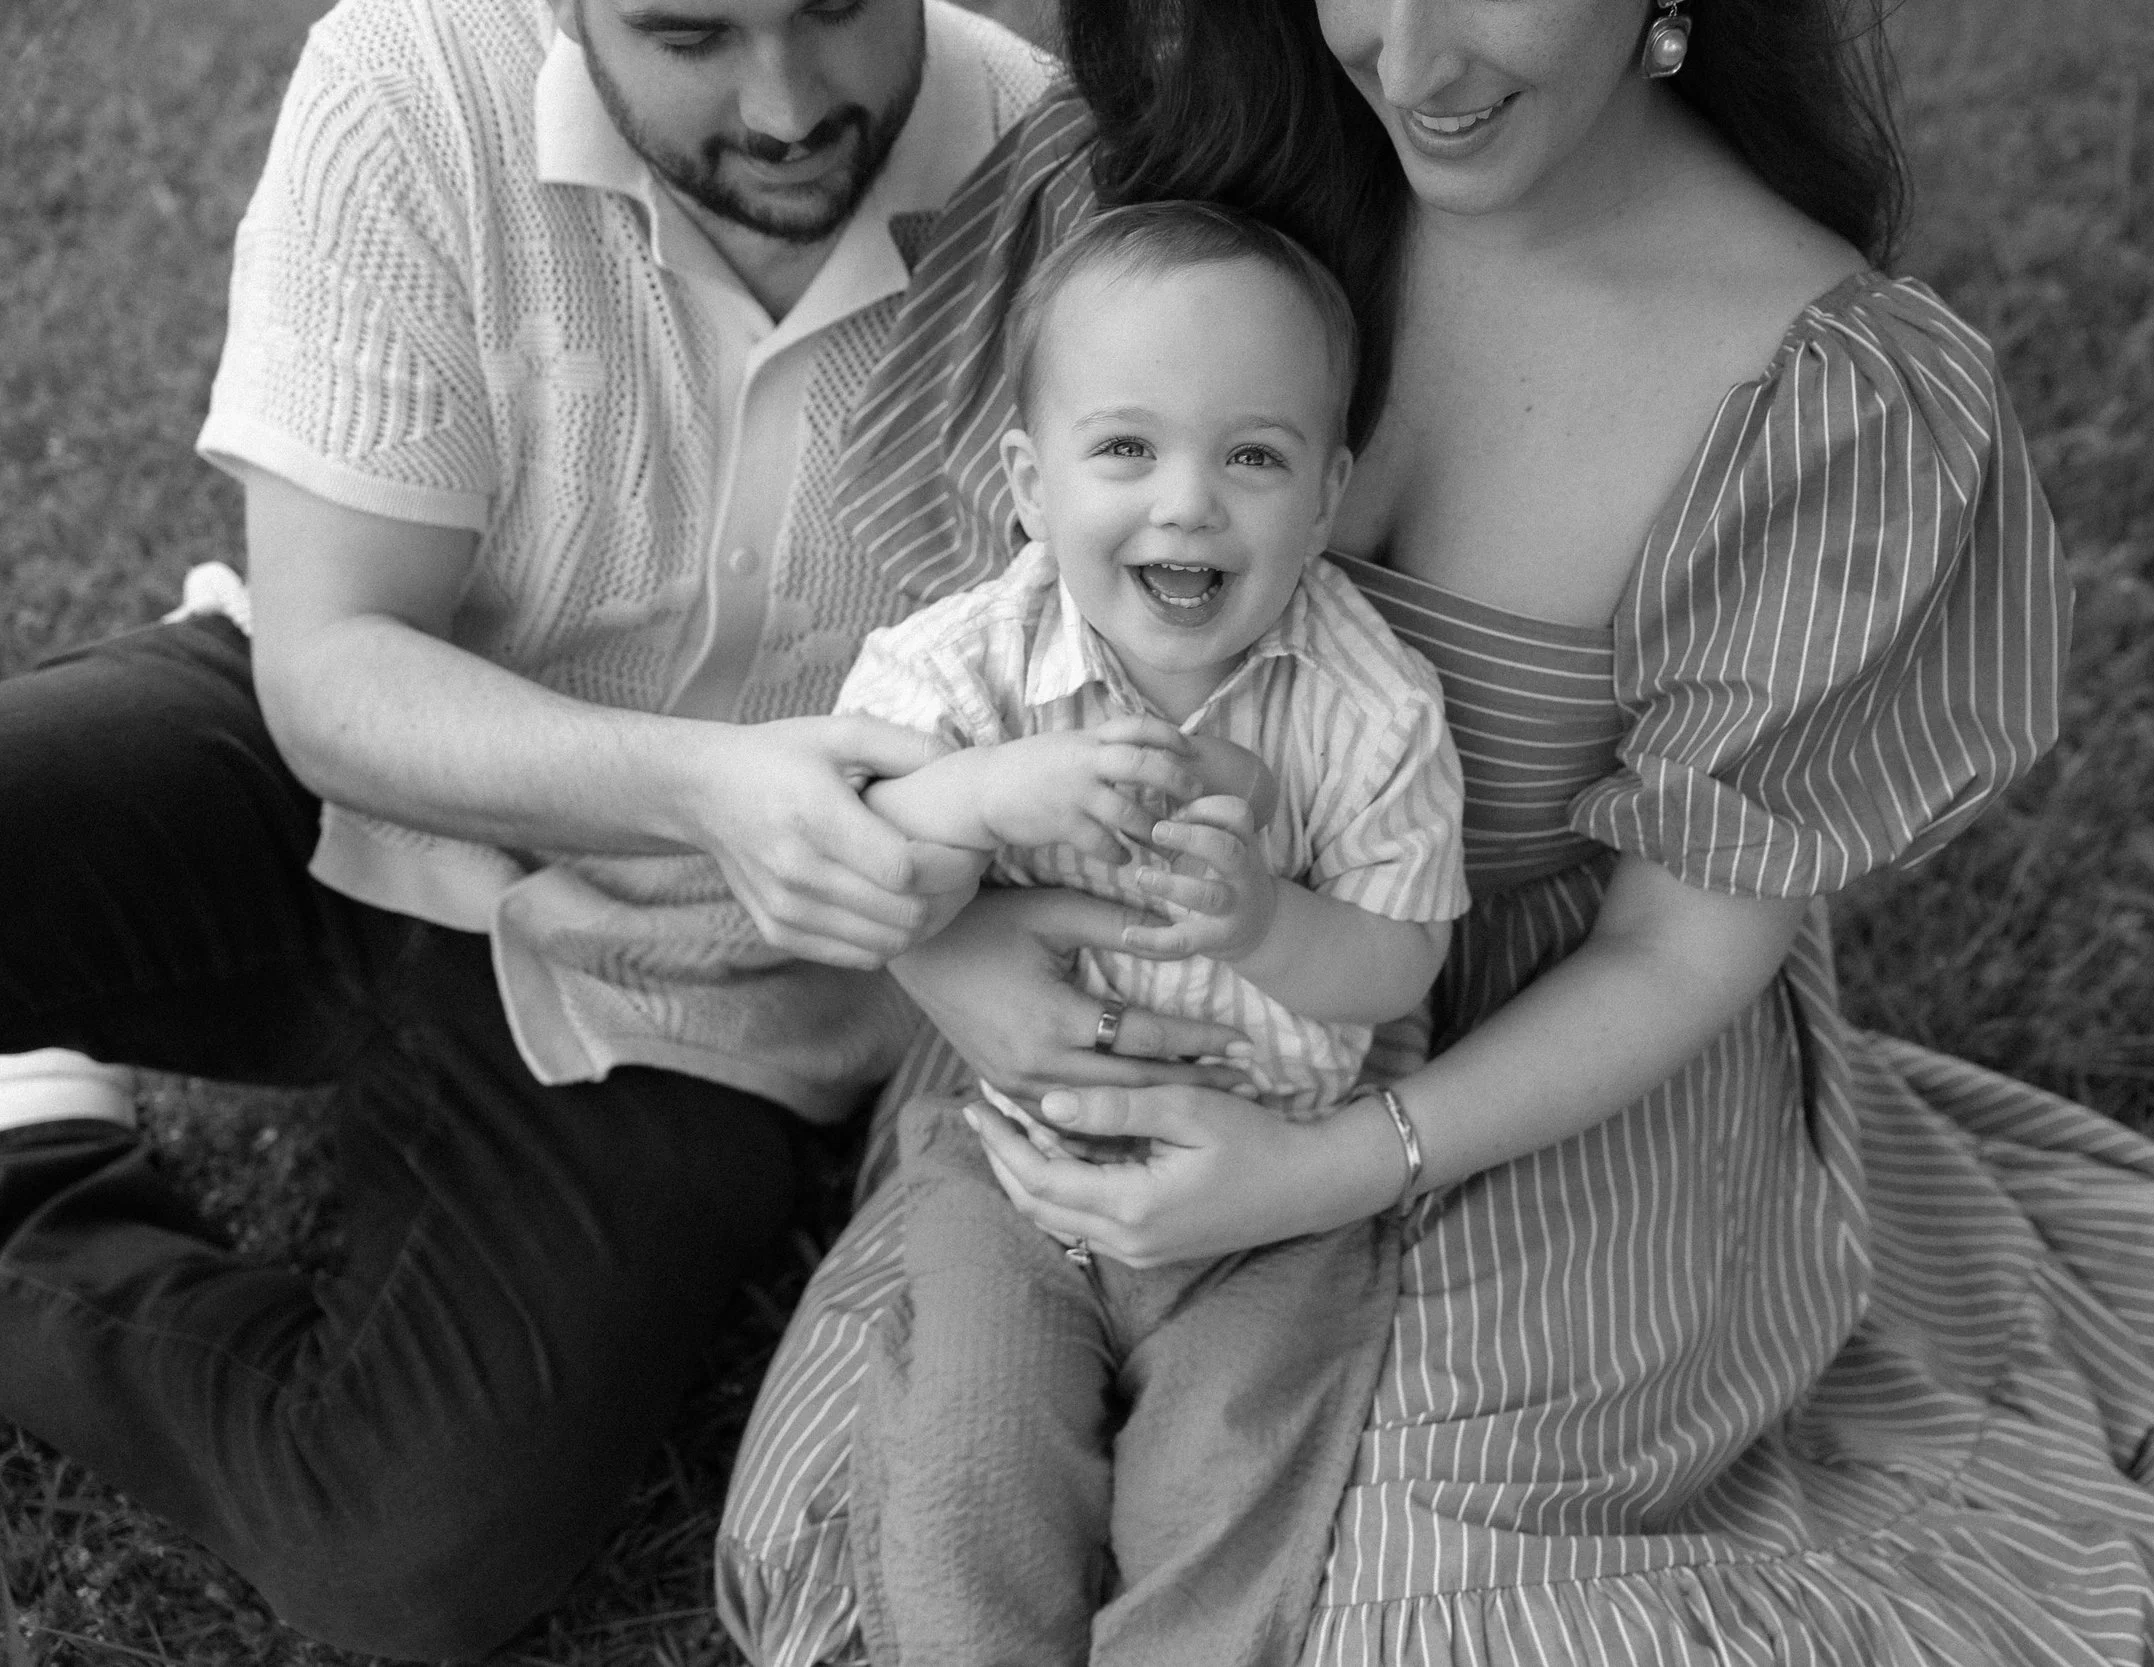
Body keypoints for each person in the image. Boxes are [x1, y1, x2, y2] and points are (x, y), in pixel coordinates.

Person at [717, 2, 2154, 1664]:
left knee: (1403, 1606)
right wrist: (965, 963)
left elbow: (1682, 946)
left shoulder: (1818, 387)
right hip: (1109, 1011)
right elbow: (945, 694)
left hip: (1552, 1068)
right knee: (919, 1522)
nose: (1406, 60)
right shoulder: (1167, 173)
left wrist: (1326, 1168)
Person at [0, 0, 1251, 1658]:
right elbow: (330, 667)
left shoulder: (1060, 196)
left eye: (838, 12)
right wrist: (702, 786)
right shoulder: (412, 82)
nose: (791, 102)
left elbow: (1078, 695)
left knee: (412, 1552)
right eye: (690, 35)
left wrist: (940, 913)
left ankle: (37, 1168)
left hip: (706, 1000)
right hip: (345, 788)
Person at [826, 199, 1470, 1664]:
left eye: (1253, 455)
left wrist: (1265, 923)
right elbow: (855, 839)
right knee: (972, 1459)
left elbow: (1400, 959)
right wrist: (986, 791)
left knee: (1230, 1475)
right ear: (1027, 483)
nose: (1188, 503)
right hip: (1021, 1165)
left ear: (1327, 493)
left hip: (1271, 1189)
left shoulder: (1371, 709)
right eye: (1126, 448)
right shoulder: (966, 669)